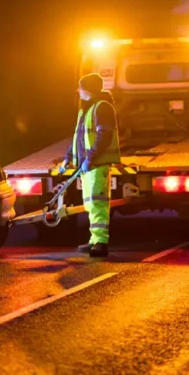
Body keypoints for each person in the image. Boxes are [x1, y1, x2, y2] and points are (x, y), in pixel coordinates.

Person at [58, 73, 121, 258]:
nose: (78, 91)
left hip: (96, 164)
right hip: (89, 165)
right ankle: (95, 240)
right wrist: (68, 158)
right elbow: (78, 137)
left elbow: (104, 136)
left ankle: (101, 243)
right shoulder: (86, 109)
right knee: (91, 204)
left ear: (87, 89)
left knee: (98, 204)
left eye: (80, 87)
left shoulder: (102, 107)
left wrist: (89, 159)